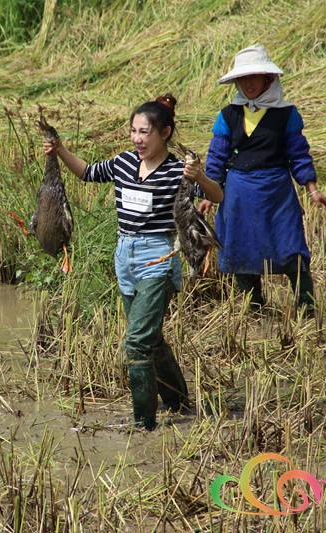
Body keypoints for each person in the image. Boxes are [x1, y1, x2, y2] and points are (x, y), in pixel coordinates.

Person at [44, 95, 223, 430]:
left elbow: (217, 196)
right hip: (124, 256)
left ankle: (144, 422)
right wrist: (60, 150)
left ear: (165, 133)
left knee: (137, 341)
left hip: (157, 258)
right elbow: (87, 172)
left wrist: (200, 178)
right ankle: (177, 401)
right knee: (150, 339)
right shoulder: (124, 163)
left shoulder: (176, 171)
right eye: (134, 131)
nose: (138, 139)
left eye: (145, 132)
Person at [200, 45, 326, 313]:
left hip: (276, 192)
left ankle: (307, 306)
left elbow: (298, 154)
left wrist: (312, 188)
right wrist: (208, 195)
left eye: (255, 77)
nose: (248, 83)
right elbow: (216, 157)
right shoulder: (228, 115)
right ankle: (255, 305)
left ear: (268, 79)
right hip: (238, 193)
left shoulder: (286, 115)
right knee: (240, 246)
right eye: (243, 78)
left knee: (290, 244)